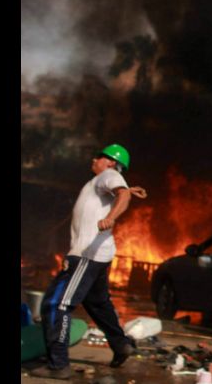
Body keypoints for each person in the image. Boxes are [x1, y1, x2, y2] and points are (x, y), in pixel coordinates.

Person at [32, 144, 137, 380]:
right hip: (99, 255)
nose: (94, 159)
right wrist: (125, 191)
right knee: (98, 304)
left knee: (56, 304)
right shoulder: (104, 180)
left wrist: (110, 217)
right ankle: (121, 345)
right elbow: (121, 191)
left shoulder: (108, 175)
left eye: (99, 157)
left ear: (110, 162)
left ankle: (58, 365)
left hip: (86, 256)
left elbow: (124, 194)